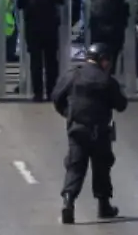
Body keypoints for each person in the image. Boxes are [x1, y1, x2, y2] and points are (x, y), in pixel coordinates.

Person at [51, 43, 129, 225]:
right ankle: (104, 205)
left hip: (77, 129)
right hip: (100, 131)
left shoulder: (73, 75)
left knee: (75, 166)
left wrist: (68, 114)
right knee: (102, 167)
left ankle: (68, 201)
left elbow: (56, 97)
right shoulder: (107, 80)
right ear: (102, 59)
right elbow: (121, 105)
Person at [14, 0, 64, 101]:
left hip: (33, 28)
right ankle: (51, 91)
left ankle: (38, 93)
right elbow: (60, 0)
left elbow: (19, 4)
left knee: (36, 62)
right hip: (50, 27)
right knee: (51, 62)